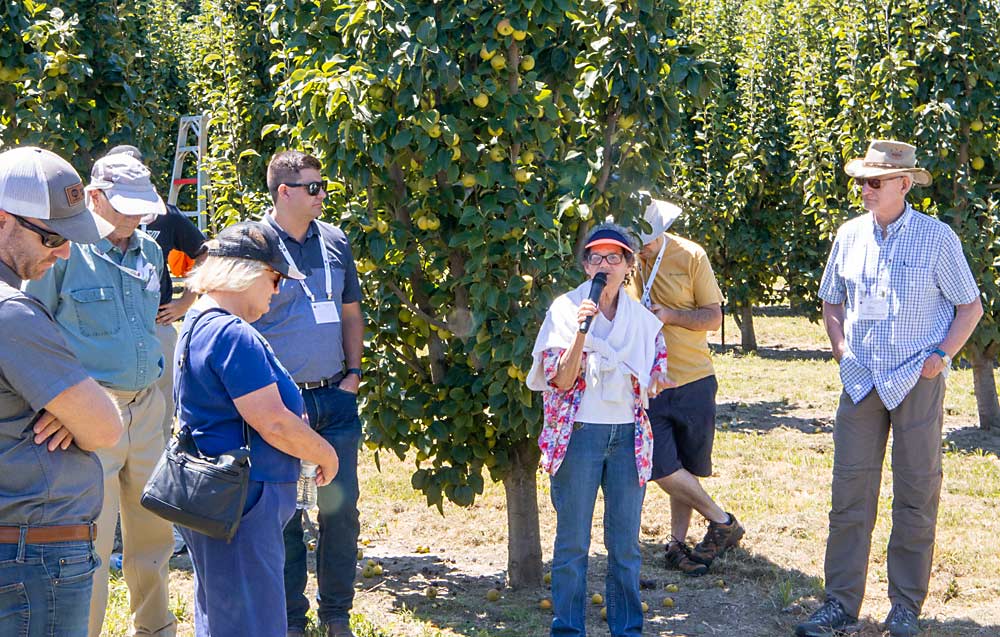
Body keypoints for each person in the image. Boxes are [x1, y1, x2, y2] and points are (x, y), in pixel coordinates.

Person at [795, 140, 983, 637]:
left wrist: (940, 358)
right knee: (849, 492)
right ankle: (839, 602)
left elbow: (970, 307)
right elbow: (831, 301)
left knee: (916, 491)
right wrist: (840, 349)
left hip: (914, 378)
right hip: (861, 380)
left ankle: (904, 606)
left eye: (875, 181)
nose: (865, 189)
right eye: (862, 180)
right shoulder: (849, 235)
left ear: (904, 184)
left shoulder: (936, 238)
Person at [25, 152, 177, 637]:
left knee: (155, 531)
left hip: (147, 405)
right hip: (90, 412)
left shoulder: (149, 252)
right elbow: (31, 334)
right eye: (124, 207)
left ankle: (155, 629)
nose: (133, 218)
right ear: (94, 198)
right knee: (88, 539)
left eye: (140, 208)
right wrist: (54, 403)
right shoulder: (63, 255)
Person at [175, 221, 339, 637]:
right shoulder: (231, 334)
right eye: (275, 277)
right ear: (244, 273)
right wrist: (325, 453)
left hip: (220, 498)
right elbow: (273, 422)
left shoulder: (198, 323)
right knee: (253, 623)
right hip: (243, 500)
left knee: (224, 618)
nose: (278, 289)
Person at [0, 146, 123, 636]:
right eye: (52, 236)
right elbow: (104, 427)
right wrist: (77, 406)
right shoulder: (13, 313)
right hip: (35, 557)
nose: (65, 251)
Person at [526, 223, 669, 637]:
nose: (603, 264)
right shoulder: (565, 310)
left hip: (627, 438)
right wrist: (580, 332)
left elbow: (657, 373)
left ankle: (627, 630)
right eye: (595, 257)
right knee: (572, 545)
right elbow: (562, 379)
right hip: (580, 436)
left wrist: (655, 380)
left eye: (613, 257)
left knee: (625, 547)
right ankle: (568, 630)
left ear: (628, 265)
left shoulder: (642, 321)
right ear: (585, 265)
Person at [252, 151, 364, 637]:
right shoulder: (253, 243)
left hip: (333, 398)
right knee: (284, 516)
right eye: (313, 187)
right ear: (284, 192)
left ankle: (336, 615)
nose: (322, 195)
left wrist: (353, 374)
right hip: (281, 405)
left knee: (340, 512)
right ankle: (290, 621)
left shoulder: (336, 241)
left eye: (322, 187)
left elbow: (350, 311)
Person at [628, 197, 744, 576]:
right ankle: (723, 521)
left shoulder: (691, 256)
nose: (640, 248)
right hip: (648, 381)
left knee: (685, 465)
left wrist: (671, 316)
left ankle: (677, 543)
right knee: (660, 466)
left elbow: (713, 317)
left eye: (645, 240)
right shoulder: (627, 262)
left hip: (692, 377)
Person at [103, 144, 208, 441]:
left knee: (160, 407)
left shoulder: (165, 216)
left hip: (155, 323)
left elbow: (204, 253)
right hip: (109, 325)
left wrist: (186, 301)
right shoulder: (90, 228)